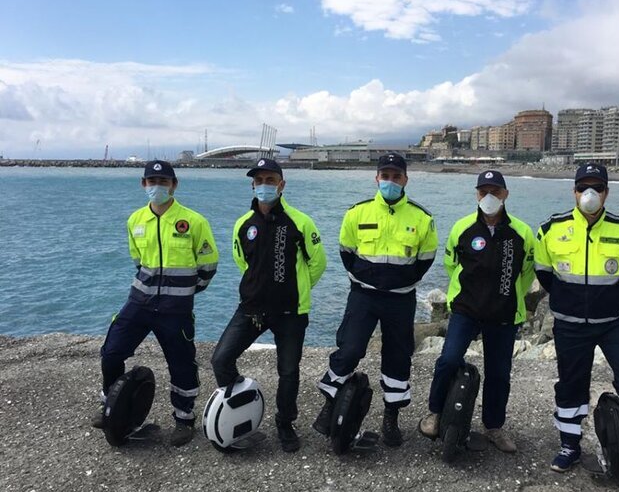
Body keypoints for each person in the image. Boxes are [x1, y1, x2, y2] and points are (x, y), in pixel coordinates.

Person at [534, 162, 619, 473]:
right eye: (583, 188)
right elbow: (544, 273)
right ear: (574, 191)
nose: (589, 194)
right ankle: (570, 445)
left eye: (597, 188)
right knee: (571, 386)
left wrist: (605, 300)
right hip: (570, 324)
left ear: (606, 192)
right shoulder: (551, 229)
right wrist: (572, 301)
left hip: (614, 323)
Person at [314, 152, 438, 447]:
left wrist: (399, 281)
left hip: (400, 300)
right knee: (349, 349)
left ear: (406, 179)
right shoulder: (357, 213)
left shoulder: (422, 218)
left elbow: (426, 259)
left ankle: (391, 418)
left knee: (397, 357)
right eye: (386, 176)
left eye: (397, 176)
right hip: (363, 297)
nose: (391, 181)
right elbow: (346, 252)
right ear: (377, 178)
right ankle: (330, 404)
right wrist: (365, 277)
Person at [93, 160, 219, 447]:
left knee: (182, 364)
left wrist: (185, 292)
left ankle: (184, 419)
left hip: (176, 310)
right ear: (143, 184)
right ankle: (110, 407)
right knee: (111, 353)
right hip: (139, 302)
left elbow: (208, 265)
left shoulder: (194, 221)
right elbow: (138, 262)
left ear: (174, 185)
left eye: (163, 182)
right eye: (152, 182)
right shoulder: (135, 220)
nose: (157, 187)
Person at [211, 158, 326, 453]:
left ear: (282, 185)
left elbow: (318, 264)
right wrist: (261, 288)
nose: (265, 185)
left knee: (288, 371)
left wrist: (295, 289)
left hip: (291, 312)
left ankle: (285, 424)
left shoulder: (301, 222)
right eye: (259, 180)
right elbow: (242, 262)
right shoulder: (243, 224)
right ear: (252, 185)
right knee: (221, 359)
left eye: (270, 180)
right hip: (251, 308)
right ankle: (240, 409)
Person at [418, 170, 535, 452]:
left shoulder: (522, 233)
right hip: (466, 309)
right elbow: (451, 265)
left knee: (499, 374)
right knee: (448, 360)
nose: (489, 197)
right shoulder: (462, 228)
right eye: (484, 192)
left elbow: (528, 273)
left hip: (504, 313)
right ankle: (435, 412)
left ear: (505, 195)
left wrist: (506, 292)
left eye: (495, 192)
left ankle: (494, 427)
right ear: (477, 194)